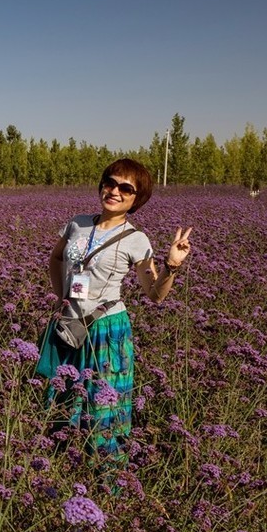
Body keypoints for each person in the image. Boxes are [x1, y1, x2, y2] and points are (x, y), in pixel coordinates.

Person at [35, 157, 192, 488]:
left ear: (137, 199)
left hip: (107, 330)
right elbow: (56, 257)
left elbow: (155, 293)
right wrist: (62, 297)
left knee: (105, 407)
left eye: (126, 188)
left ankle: (107, 483)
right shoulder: (77, 224)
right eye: (110, 182)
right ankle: (61, 478)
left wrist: (172, 266)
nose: (114, 191)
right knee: (62, 402)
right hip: (69, 324)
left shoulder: (136, 239)